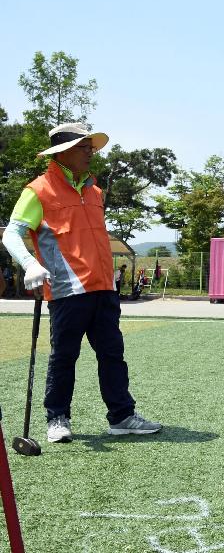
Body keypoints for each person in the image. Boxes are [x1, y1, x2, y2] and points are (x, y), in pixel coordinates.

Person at [0, 122, 161, 443]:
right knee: (64, 356)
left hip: (103, 287)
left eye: (91, 147)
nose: (91, 153)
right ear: (62, 152)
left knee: (113, 354)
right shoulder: (38, 190)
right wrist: (30, 263)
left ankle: (122, 416)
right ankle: (57, 418)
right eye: (84, 147)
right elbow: (11, 234)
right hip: (66, 289)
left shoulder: (95, 191)